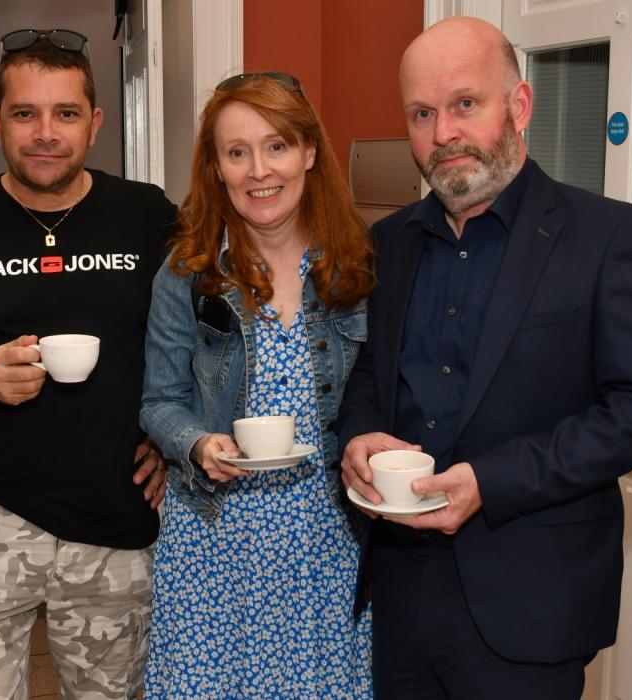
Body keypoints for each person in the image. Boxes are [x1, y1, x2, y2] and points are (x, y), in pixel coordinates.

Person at [337, 17, 632, 699]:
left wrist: (491, 481)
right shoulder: (390, 241)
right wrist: (357, 435)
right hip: (402, 593)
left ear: (519, 106)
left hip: (531, 602)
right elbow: (371, 376)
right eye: (422, 113)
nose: (443, 134)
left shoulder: (609, 235)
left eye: (465, 104)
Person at [0, 29, 177, 699]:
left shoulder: (147, 216)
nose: (45, 133)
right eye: (25, 113)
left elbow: (206, 336)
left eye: (65, 113)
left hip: (116, 523)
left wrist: (175, 438)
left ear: (95, 123)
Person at [139, 72, 375, 697]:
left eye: (275, 146)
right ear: (216, 168)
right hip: (216, 544)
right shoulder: (186, 272)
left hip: (328, 540)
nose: (257, 170)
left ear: (308, 152)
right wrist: (196, 444)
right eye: (236, 152)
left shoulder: (356, 267)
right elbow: (158, 402)